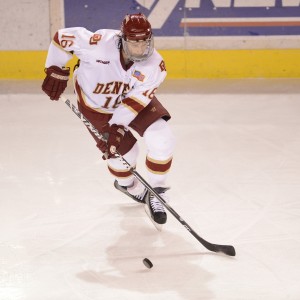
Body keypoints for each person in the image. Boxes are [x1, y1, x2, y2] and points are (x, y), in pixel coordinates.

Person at [42, 13, 175, 226]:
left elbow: (136, 101)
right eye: (134, 43)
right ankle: (129, 186)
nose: (141, 49)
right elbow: (61, 37)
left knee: (162, 137)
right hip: (97, 108)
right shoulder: (98, 45)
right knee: (124, 156)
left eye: (144, 42)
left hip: (133, 102)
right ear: (122, 39)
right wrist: (55, 68)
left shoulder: (155, 65)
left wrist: (119, 126)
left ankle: (158, 191)